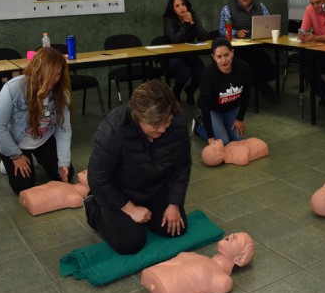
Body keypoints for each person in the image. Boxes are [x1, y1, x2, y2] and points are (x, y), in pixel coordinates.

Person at [85, 80, 190, 255]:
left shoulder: (177, 122)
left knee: (176, 229)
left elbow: (182, 167)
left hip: (156, 187)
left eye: (168, 121)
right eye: (156, 125)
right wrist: (131, 210)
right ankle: (93, 208)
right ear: (138, 117)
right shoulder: (112, 130)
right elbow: (98, 179)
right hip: (120, 192)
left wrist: (174, 204)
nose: (163, 129)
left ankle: (146, 215)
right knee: (131, 243)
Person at [0, 46, 75, 194]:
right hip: (15, 143)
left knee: (67, 174)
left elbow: (63, 129)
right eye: (51, 74)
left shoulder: (61, 93)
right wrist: (16, 156)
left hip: (43, 139)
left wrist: (63, 162)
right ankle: (8, 162)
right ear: (37, 70)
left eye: (58, 74)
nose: (55, 79)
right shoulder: (13, 88)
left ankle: (34, 158)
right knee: (24, 186)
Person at [141, 232, 255, 293]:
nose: (231, 236)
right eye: (233, 234)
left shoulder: (222, 280)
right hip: (152, 275)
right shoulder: (198, 257)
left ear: (240, 259)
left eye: (238, 241)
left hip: (164, 289)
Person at [218, 0, 280, 103]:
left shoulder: (260, 6)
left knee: (271, 70)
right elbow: (222, 30)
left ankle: (261, 86)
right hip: (237, 50)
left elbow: (270, 22)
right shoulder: (227, 8)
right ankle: (266, 90)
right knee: (252, 65)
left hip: (255, 45)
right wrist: (236, 32)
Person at [193, 38, 253, 145]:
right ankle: (199, 126)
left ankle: (222, 126)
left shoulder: (243, 68)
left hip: (231, 107)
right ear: (213, 57)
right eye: (219, 57)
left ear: (232, 53)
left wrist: (239, 118)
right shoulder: (208, 74)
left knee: (238, 139)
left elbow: (246, 94)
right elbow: (205, 105)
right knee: (223, 141)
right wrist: (210, 137)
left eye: (226, 55)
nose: (224, 60)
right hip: (212, 110)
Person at [163, 0, 207, 105]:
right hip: (174, 56)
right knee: (185, 72)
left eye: (183, 4)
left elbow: (203, 37)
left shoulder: (191, 15)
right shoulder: (169, 19)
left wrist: (193, 23)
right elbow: (174, 40)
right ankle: (176, 91)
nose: (181, 7)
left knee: (201, 72)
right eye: (177, 6)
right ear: (173, 9)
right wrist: (186, 25)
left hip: (189, 54)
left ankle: (190, 90)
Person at [298, 0, 325, 105]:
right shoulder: (310, 10)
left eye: (318, 2)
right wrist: (302, 34)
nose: (315, 6)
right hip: (319, 50)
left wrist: (315, 38)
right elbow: (304, 28)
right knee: (306, 65)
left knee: (310, 65)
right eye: (312, 3)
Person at [201, 137, 269, 166]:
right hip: (261, 145)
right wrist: (243, 147)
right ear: (221, 155)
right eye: (214, 147)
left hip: (255, 142)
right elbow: (244, 160)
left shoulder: (227, 149)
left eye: (209, 145)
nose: (213, 142)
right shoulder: (234, 155)